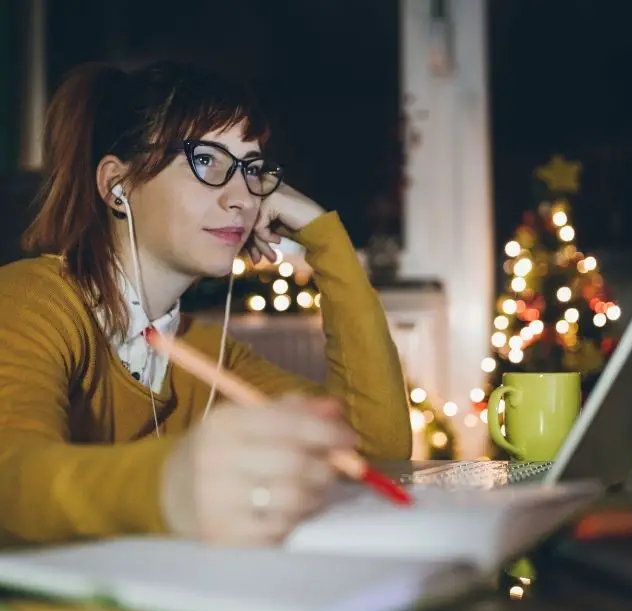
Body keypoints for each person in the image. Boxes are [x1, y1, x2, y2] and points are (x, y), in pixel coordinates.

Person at [0, 60, 412, 549]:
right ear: (117, 186)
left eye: (253, 170)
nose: (243, 199)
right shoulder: (33, 299)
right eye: (207, 161)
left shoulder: (207, 354)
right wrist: (170, 486)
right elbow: (11, 475)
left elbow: (376, 450)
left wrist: (324, 236)